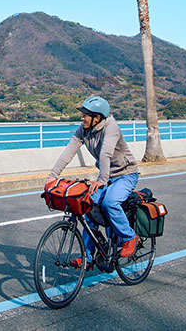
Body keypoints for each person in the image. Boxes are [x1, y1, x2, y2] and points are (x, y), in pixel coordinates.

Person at [45, 96, 140, 267]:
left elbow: (105, 154)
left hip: (126, 175)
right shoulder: (84, 129)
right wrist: (53, 176)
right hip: (107, 176)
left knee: (110, 203)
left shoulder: (111, 128)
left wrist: (102, 179)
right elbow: (69, 151)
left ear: (97, 117)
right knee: (87, 206)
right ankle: (88, 258)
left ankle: (129, 237)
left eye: (85, 115)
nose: (82, 118)